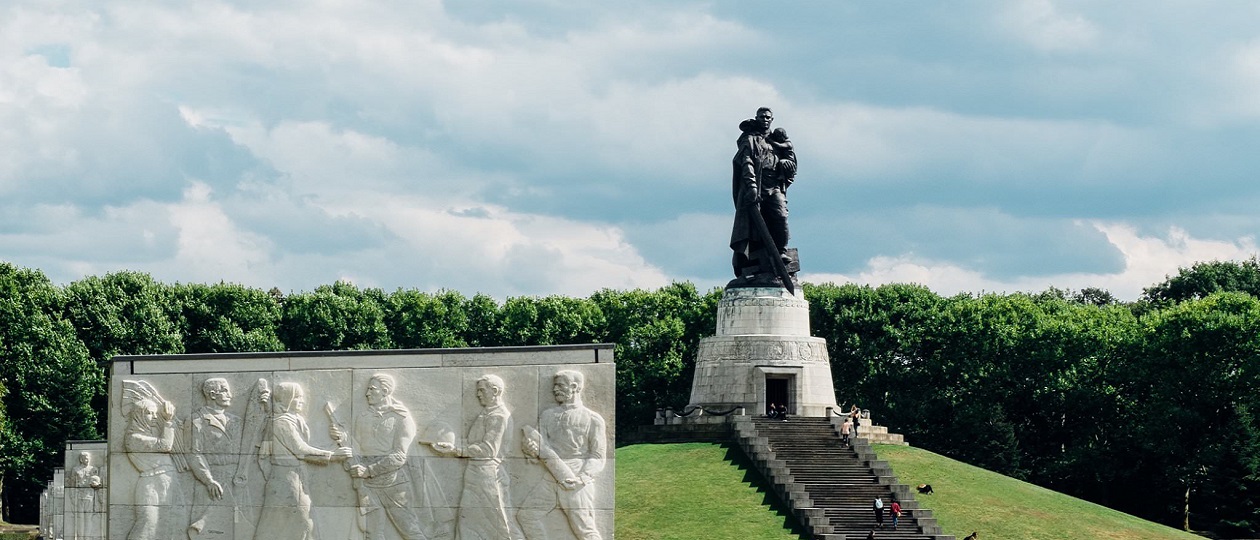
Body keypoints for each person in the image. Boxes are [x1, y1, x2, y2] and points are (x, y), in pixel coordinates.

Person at [332, 374, 429, 540]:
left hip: (394, 484)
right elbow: (358, 451)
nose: (367, 393)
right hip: (367, 486)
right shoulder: (362, 418)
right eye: (368, 389)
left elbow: (399, 456)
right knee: (372, 534)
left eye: (372, 389)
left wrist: (368, 470)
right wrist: (343, 440)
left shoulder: (402, 418)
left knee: (411, 532)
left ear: (385, 391)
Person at [518, 370, 608, 540]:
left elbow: (598, 455)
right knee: (526, 515)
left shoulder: (593, 419)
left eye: (560, 385)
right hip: (550, 477)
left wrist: (582, 478)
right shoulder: (547, 415)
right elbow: (538, 446)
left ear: (574, 387)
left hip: (575, 478)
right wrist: (530, 448)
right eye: (554, 386)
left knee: (584, 530)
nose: (555, 389)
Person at [255, 382, 351, 540]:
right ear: (287, 398)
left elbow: (310, 446)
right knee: (301, 522)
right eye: (297, 397)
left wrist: (336, 439)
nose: (302, 401)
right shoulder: (280, 422)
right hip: (285, 480)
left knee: (302, 522)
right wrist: (332, 456)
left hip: (297, 477)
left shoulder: (295, 419)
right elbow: (300, 450)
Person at [431, 374, 514, 540]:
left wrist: (457, 450)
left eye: (482, 390)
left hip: (487, 475)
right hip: (476, 474)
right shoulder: (487, 413)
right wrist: (450, 444)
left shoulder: (498, 416)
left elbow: (488, 449)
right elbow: (476, 442)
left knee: (495, 525)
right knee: (467, 524)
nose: (478, 394)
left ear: (495, 391)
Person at [730, 107, 797, 286]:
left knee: (781, 216)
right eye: (762, 117)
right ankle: (750, 265)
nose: (765, 120)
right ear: (757, 118)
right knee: (754, 229)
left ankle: (781, 252)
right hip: (756, 187)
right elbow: (746, 162)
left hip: (774, 186)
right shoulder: (750, 139)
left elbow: (792, 162)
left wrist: (786, 163)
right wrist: (751, 186)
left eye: (768, 117)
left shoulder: (778, 139)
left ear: (772, 119)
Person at [186, 378, 244, 540]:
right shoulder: (196, 421)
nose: (230, 395)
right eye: (225, 391)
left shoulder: (236, 421)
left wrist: (264, 406)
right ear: (212, 394)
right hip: (211, 480)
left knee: (236, 527)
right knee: (206, 530)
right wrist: (208, 480)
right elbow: (194, 454)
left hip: (235, 479)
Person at [122, 382, 177, 540]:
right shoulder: (133, 438)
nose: (154, 417)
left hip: (167, 482)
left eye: (155, 413)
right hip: (151, 484)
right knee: (147, 524)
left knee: (171, 524)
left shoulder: (148, 432)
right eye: (149, 414)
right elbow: (165, 445)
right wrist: (168, 421)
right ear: (139, 415)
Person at [67, 451, 103, 540]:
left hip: (89, 496)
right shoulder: (75, 469)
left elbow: (97, 483)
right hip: (79, 496)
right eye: (85, 458)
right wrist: (72, 496)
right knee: (80, 518)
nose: (87, 460)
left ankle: (87, 538)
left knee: (88, 518)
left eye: (88, 458)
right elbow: (72, 484)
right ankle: (80, 538)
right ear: (81, 459)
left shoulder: (93, 469)